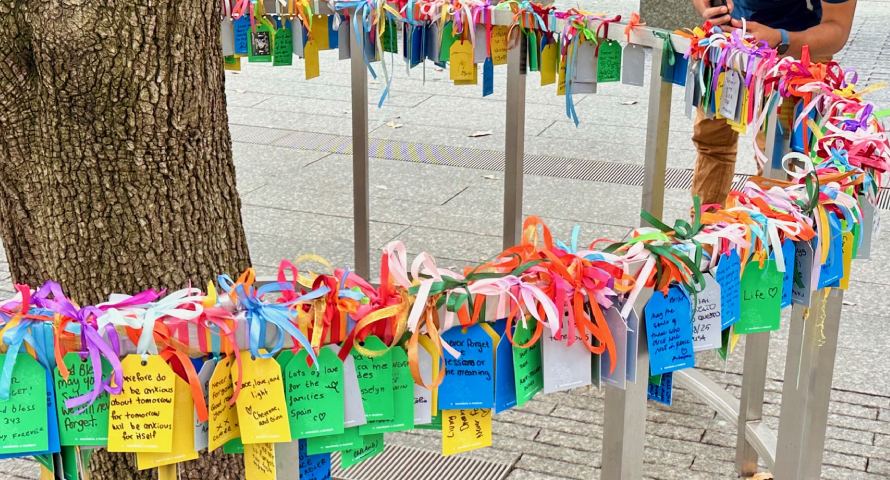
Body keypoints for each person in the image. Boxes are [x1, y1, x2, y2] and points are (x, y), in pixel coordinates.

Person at [689, 0, 858, 205]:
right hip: (726, 48)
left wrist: (781, 40)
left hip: (794, 60)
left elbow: (837, 29)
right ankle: (706, 227)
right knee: (711, 145)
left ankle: (769, 232)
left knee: (779, 161)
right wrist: (707, 7)